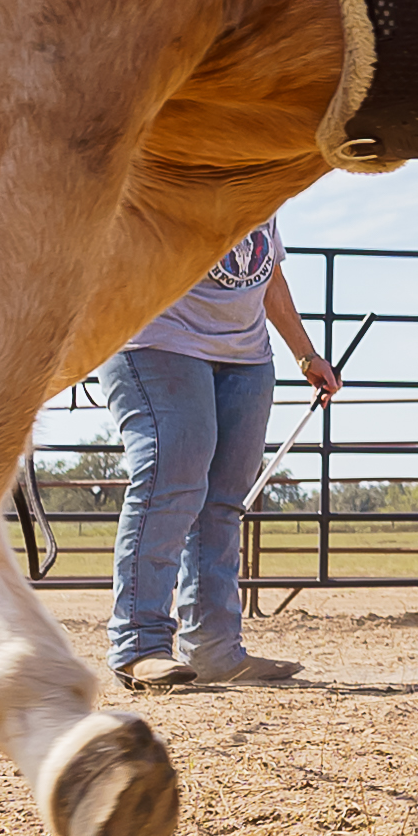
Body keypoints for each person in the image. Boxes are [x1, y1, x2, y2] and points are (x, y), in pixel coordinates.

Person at [101, 219, 338, 687]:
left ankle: (214, 649)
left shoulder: (267, 183)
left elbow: (268, 275)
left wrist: (307, 355)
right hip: (156, 341)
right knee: (170, 481)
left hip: (247, 357)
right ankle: (139, 644)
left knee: (222, 503)